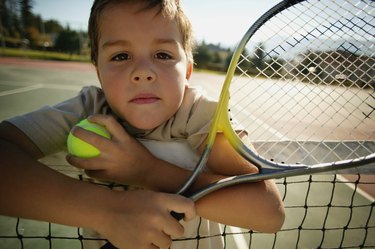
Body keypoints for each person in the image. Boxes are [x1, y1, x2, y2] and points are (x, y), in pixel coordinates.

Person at [0, 0, 285, 249]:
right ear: (99, 72)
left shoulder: (200, 115)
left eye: (163, 55)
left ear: (187, 70)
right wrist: (108, 211)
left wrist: (147, 170)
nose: (143, 73)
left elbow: (268, 211)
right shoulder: (88, 110)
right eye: (120, 56)